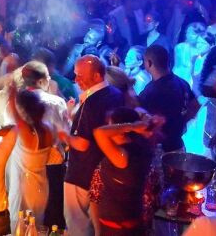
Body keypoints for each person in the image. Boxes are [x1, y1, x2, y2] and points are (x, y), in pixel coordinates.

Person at [62, 55, 125, 236]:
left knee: (78, 228)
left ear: (97, 76)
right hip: (103, 173)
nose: (76, 80)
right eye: (75, 75)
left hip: (81, 174)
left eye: (81, 75)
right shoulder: (116, 94)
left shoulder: (91, 102)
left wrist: (62, 135)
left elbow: (82, 144)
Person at [91, 108, 159, 236]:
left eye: (111, 126)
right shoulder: (137, 149)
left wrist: (132, 126)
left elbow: (99, 132)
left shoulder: (123, 156)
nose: (109, 129)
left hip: (118, 229)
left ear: (120, 131)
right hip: (125, 225)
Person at [6, 84, 55, 226]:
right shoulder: (48, 129)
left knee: (19, 227)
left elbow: (14, 113)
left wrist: (12, 93)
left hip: (24, 189)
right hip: (41, 187)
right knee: (36, 226)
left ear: (23, 109)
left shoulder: (26, 132)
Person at [138, 44, 199, 152]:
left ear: (149, 63)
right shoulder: (182, 83)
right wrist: (181, 122)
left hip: (159, 149)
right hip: (178, 145)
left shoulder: (151, 91)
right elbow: (195, 105)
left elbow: (138, 115)